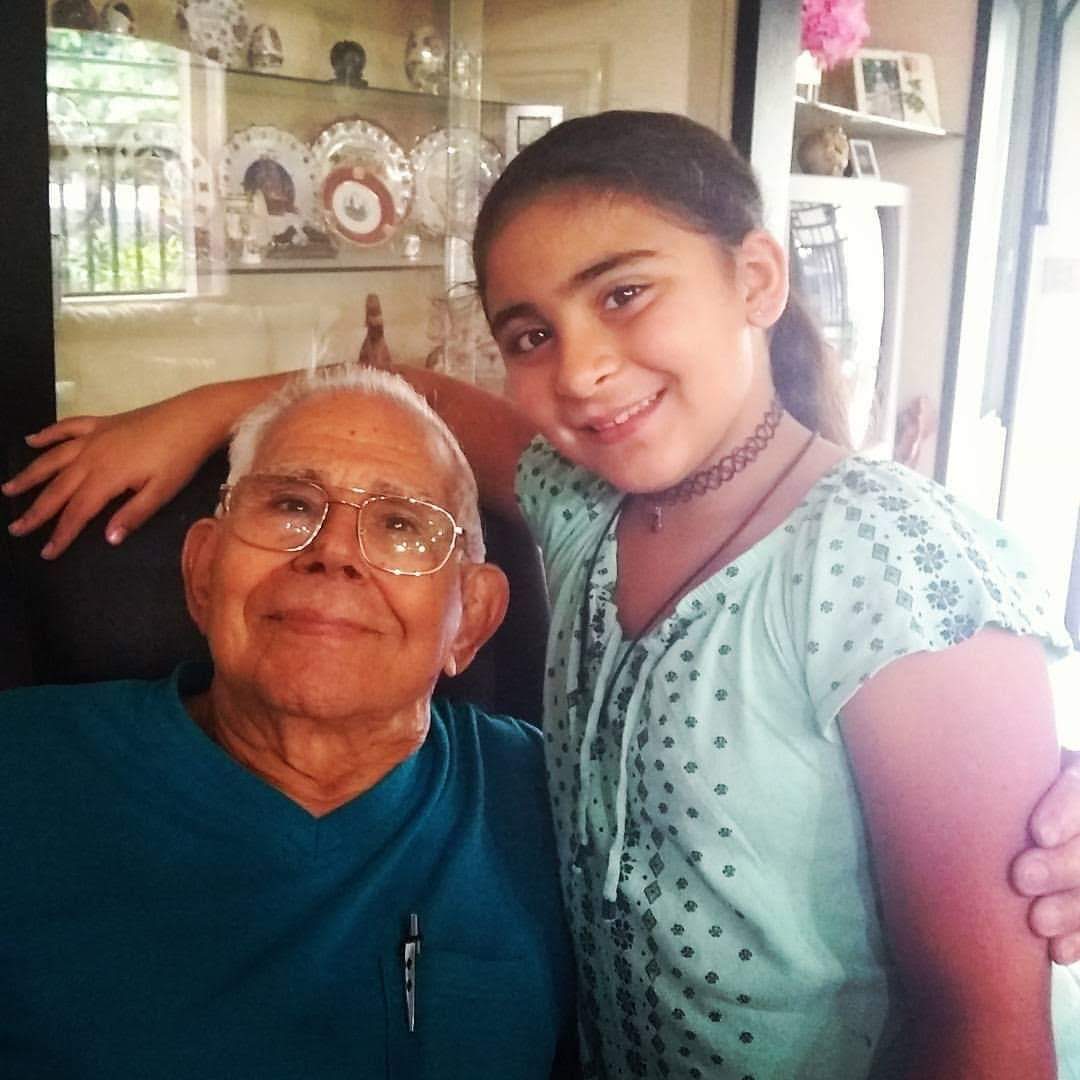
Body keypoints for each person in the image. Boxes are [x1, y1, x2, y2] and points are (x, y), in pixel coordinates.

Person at [5, 110, 1080, 1076]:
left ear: (757, 277)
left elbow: (988, 1027)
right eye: (531, 334)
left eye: (624, 293)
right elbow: (408, 400)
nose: (580, 368)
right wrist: (193, 412)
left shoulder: (897, 562)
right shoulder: (585, 508)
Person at [0, 367, 576, 1079]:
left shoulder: (556, 803)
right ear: (203, 571)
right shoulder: (22, 772)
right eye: (290, 505)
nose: (333, 552)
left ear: (473, 618)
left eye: (400, 524)